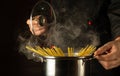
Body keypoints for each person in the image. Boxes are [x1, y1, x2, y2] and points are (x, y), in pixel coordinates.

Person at [24, 0, 120, 76]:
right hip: (58, 58)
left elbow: (117, 8)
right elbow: (52, 11)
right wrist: (43, 22)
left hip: (103, 57)